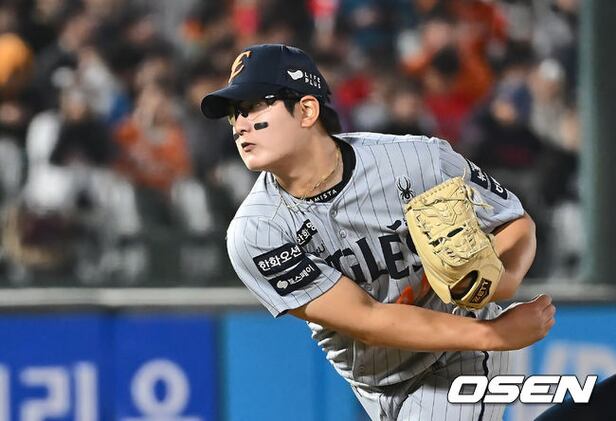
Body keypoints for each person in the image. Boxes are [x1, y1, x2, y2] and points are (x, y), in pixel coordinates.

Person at [201, 44, 555, 421]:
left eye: (255, 106)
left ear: (306, 110)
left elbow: (514, 221)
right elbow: (368, 319)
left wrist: (503, 282)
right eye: (235, 113)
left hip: (457, 353)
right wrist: (495, 335)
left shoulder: (417, 160)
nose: (239, 125)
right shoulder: (256, 232)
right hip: (375, 382)